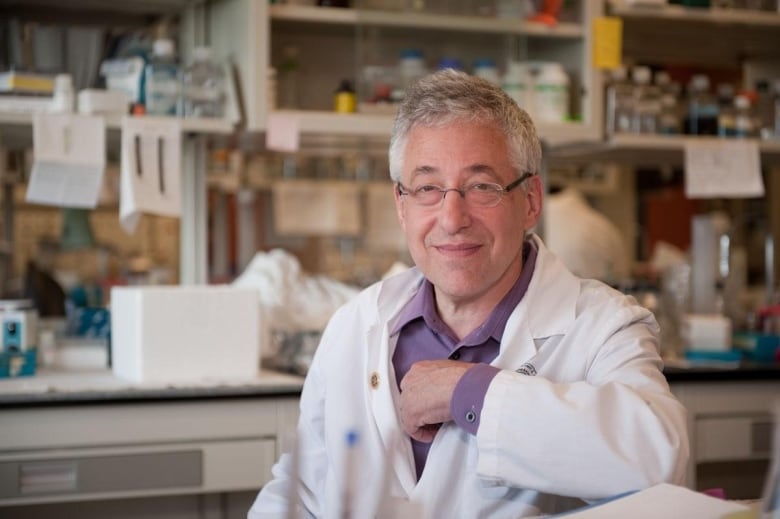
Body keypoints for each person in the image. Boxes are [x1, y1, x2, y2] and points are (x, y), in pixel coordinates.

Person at [248, 69, 689, 518]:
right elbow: (304, 487)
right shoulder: (356, 324)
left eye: (482, 186)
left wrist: (471, 393)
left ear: (531, 201)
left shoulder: (601, 326)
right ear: (402, 205)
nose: (452, 217)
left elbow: (657, 459)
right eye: (427, 188)